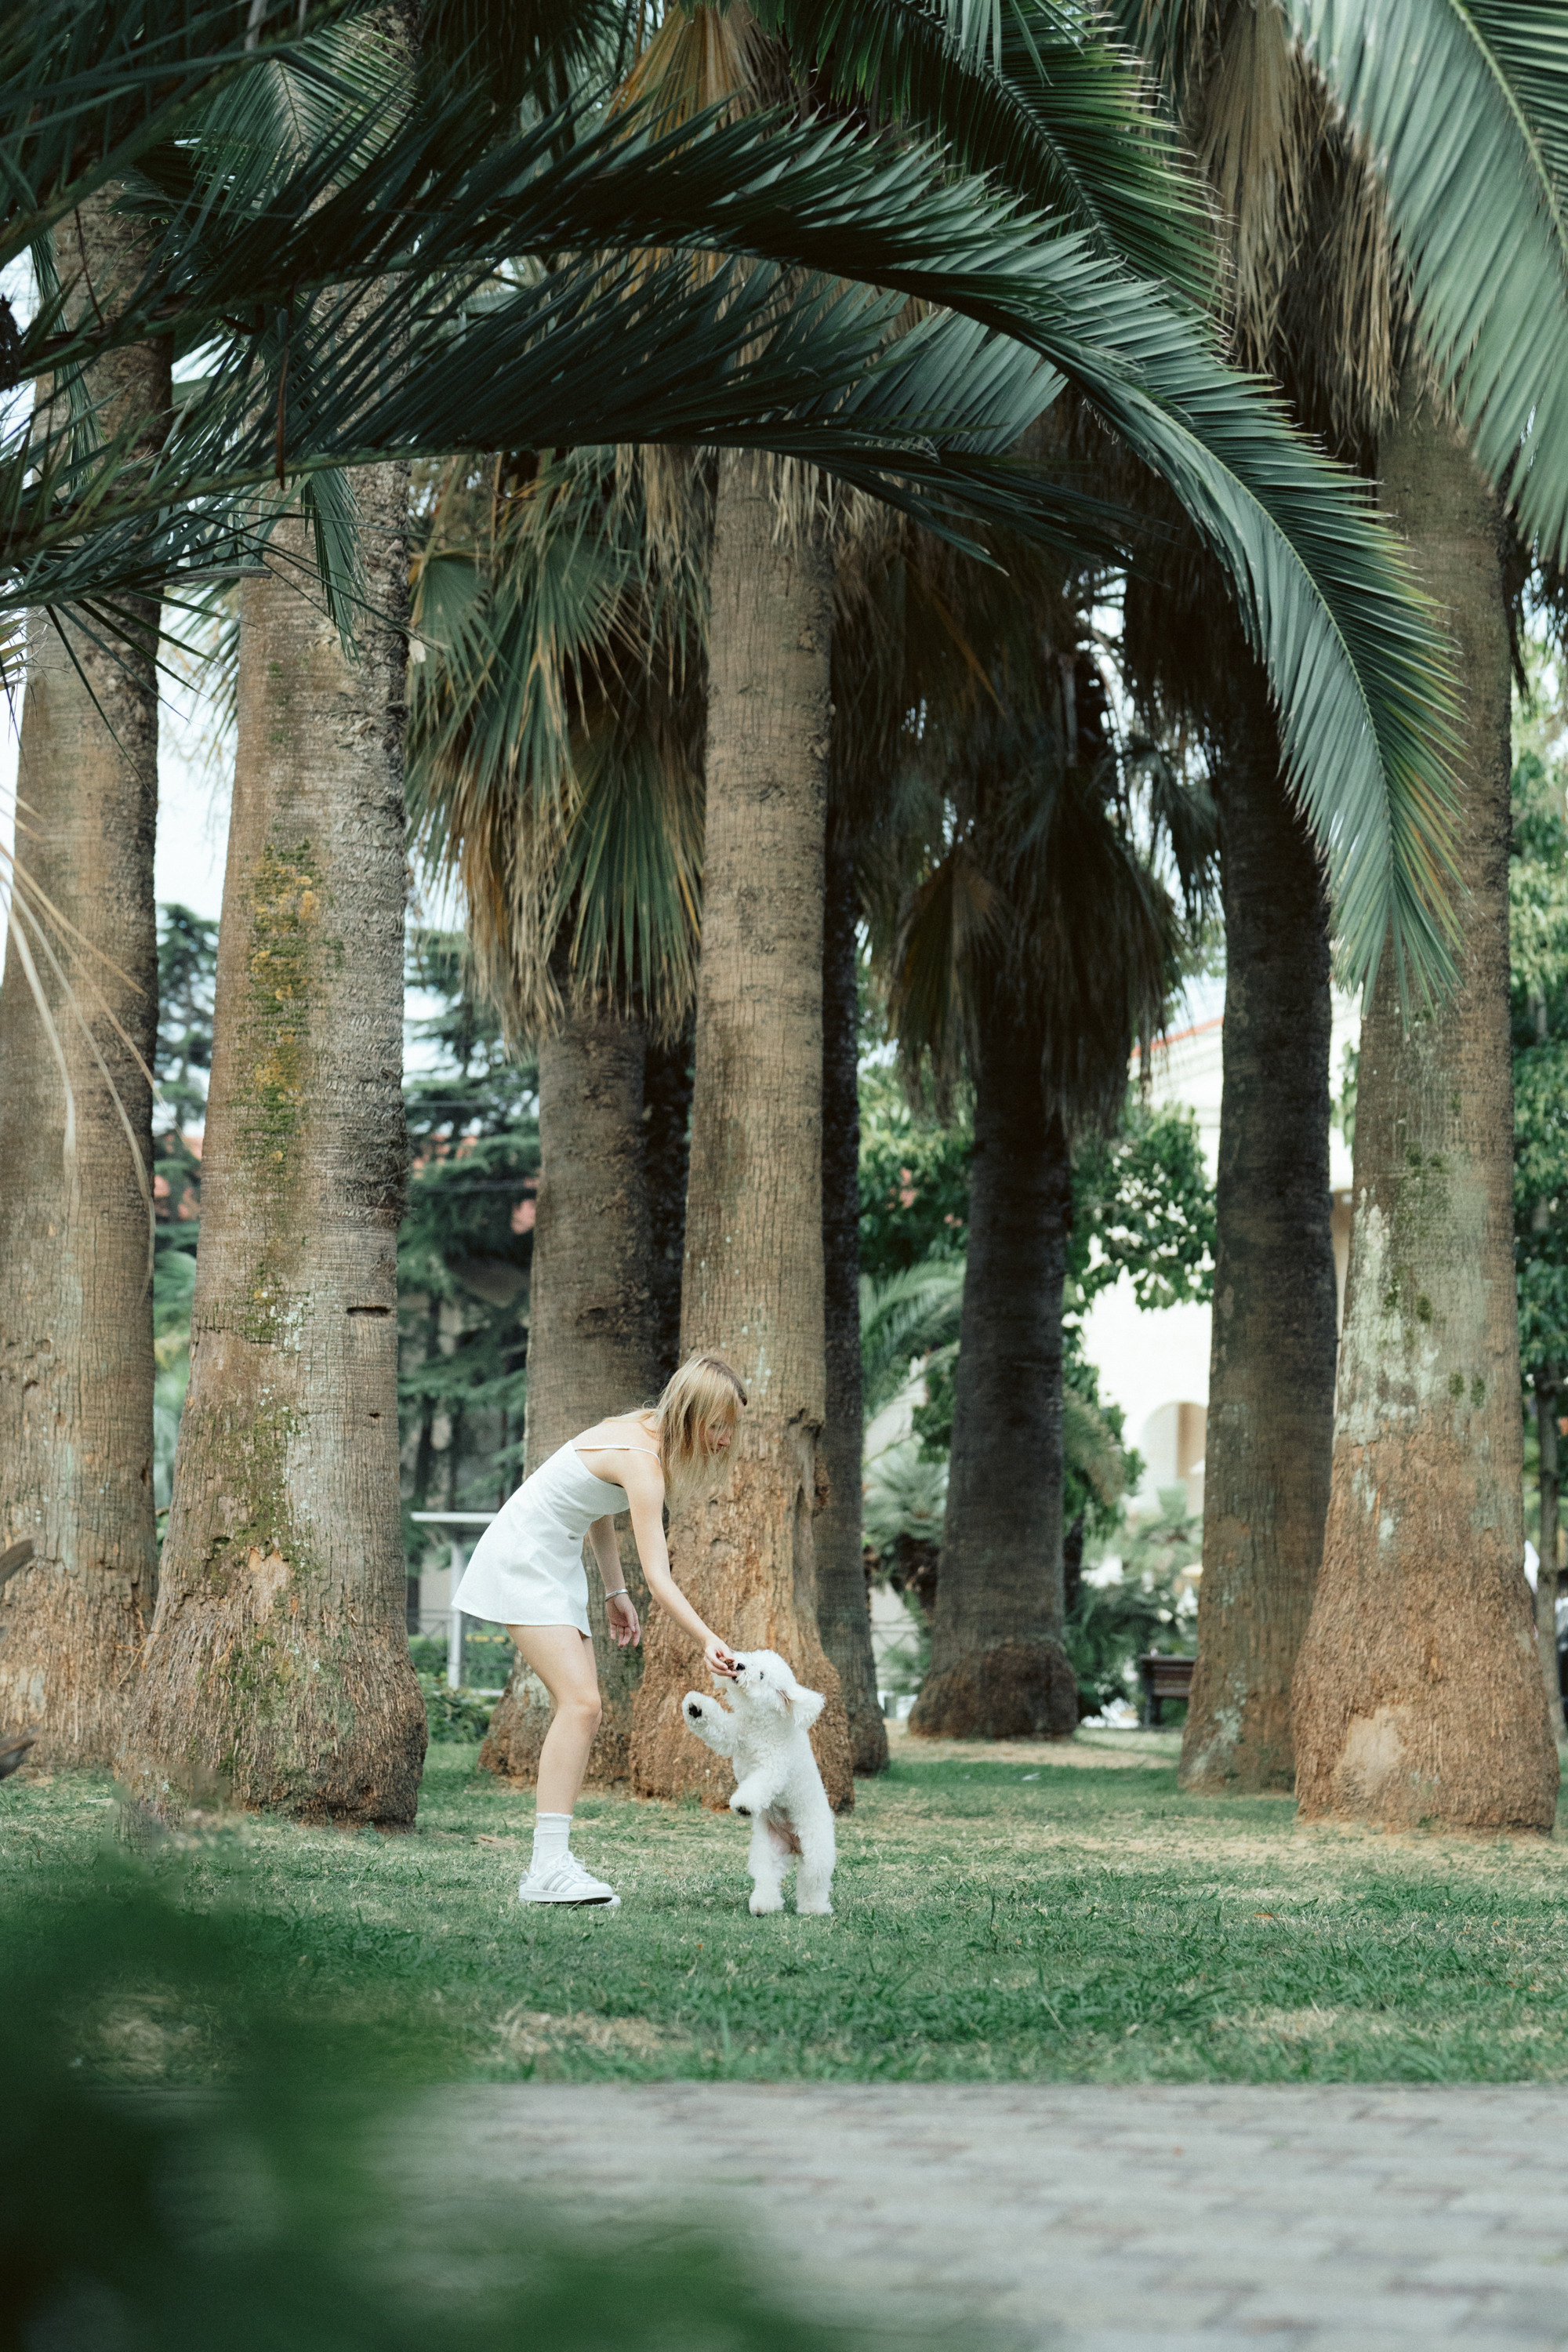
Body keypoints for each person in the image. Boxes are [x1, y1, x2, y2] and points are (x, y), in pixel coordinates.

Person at [452, 1352, 746, 1910]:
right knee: (582, 1705)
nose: (727, 1439)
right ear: (690, 1414)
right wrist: (707, 1638)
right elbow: (659, 1577)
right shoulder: (642, 1460)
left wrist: (614, 1592)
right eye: (719, 1425)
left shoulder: (639, 1433)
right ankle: (547, 1866)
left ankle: (551, 1861)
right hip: (525, 1557)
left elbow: (595, 1509)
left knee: (584, 1707)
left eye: (732, 1426)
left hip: (551, 1559)